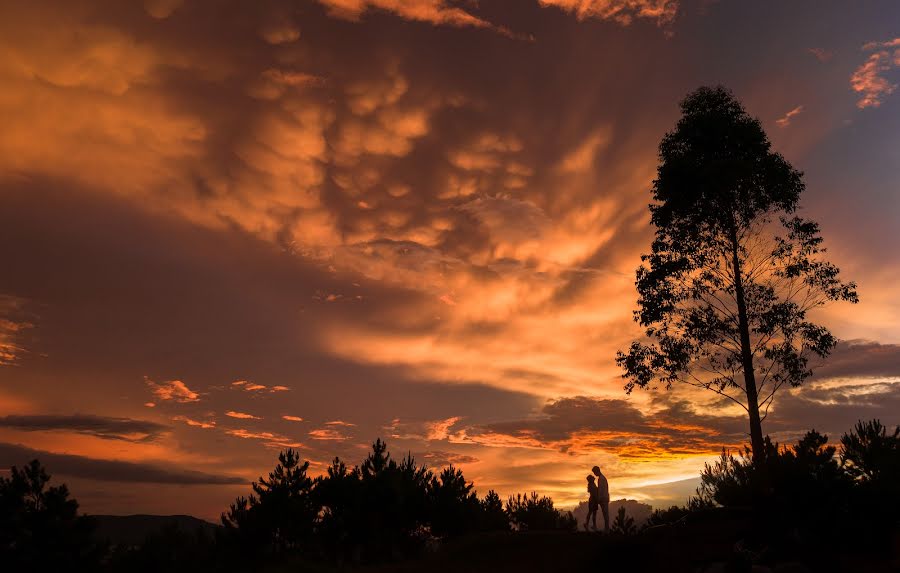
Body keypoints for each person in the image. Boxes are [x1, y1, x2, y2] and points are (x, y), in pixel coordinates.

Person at [591, 465, 610, 533]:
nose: (594, 474)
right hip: (604, 498)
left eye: (594, 472)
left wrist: (599, 499)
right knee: (605, 514)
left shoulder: (601, 479)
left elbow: (601, 490)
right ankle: (606, 528)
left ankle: (607, 529)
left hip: (603, 499)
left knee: (605, 514)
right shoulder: (602, 478)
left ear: (597, 471)